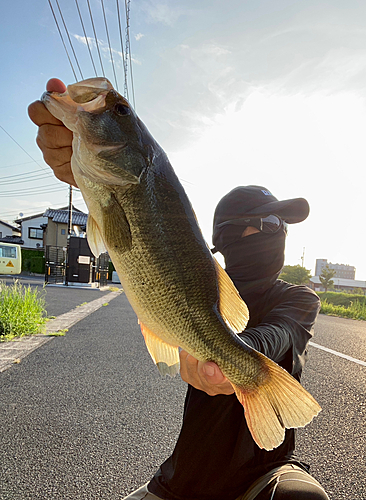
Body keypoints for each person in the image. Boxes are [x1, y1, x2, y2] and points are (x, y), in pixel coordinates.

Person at [28, 80, 329, 500]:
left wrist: (229, 359)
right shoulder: (196, 274)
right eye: (265, 223)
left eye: (280, 226)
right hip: (181, 479)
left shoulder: (298, 298)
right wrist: (85, 167)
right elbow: (142, 215)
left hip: (266, 477)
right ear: (224, 235)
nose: (275, 233)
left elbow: (280, 336)